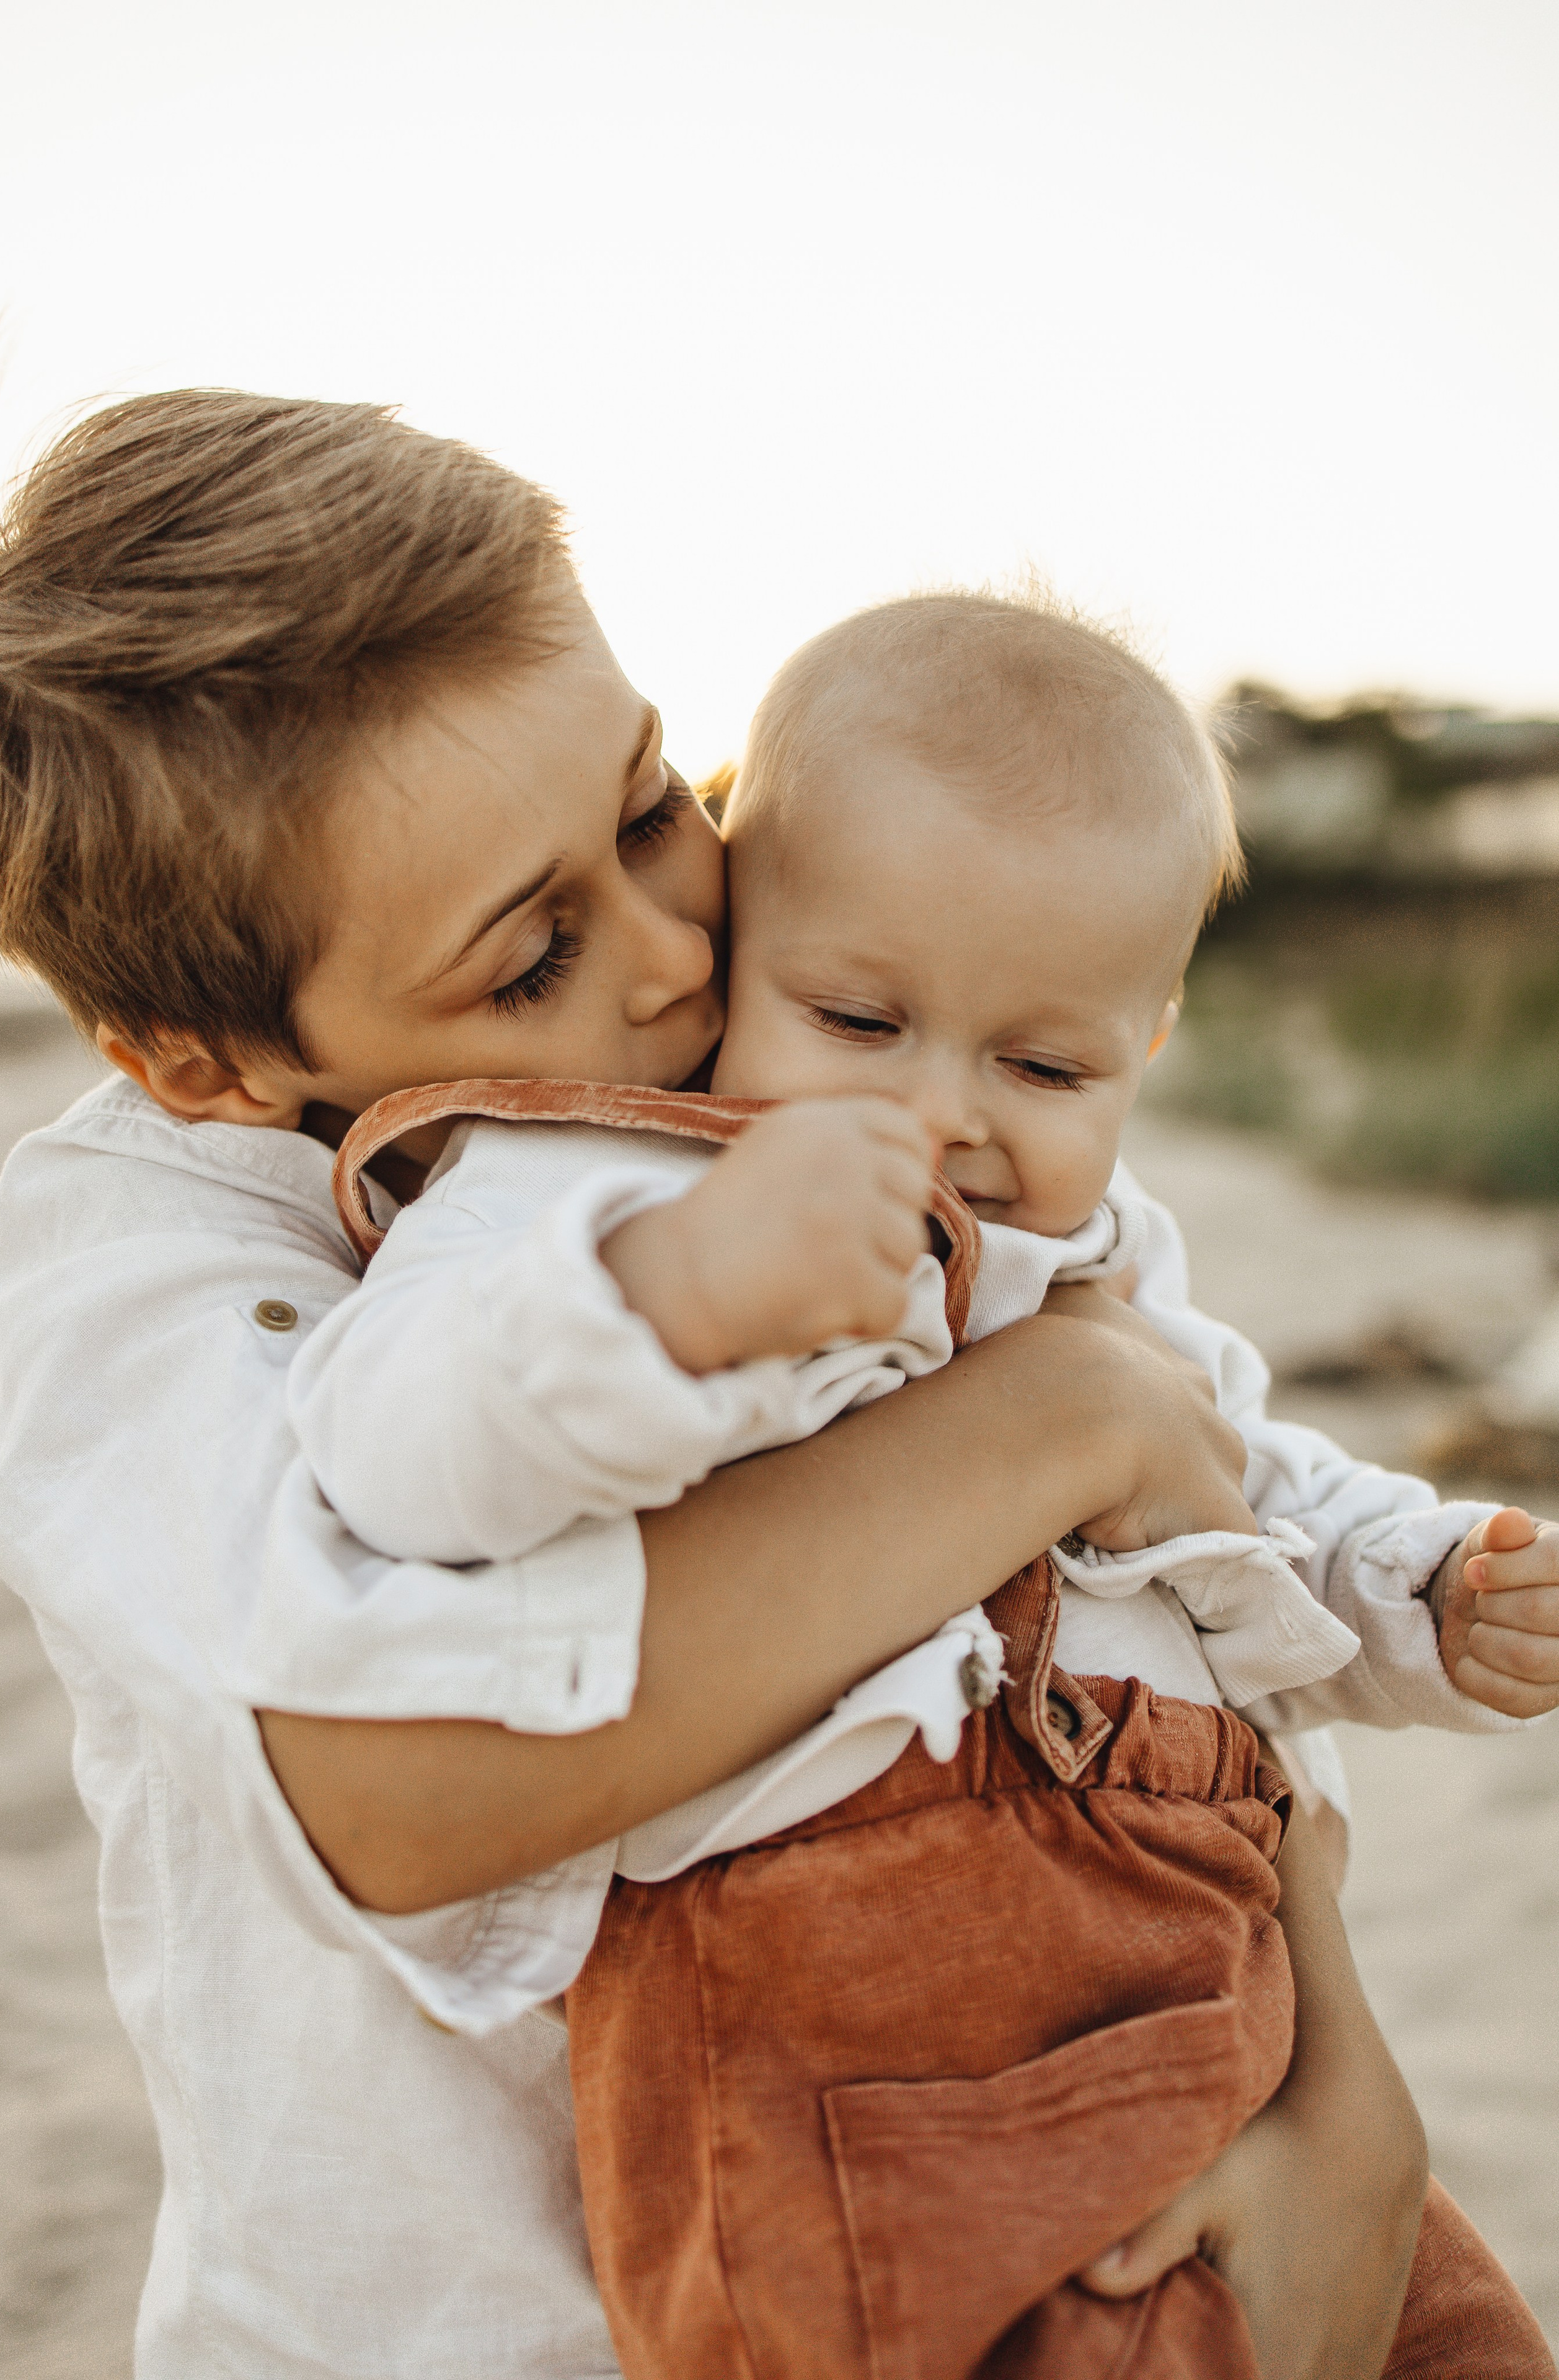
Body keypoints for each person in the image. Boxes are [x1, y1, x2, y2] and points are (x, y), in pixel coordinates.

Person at [0, 389, 1528, 2380]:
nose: (669, 959)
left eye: (651, 811)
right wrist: (1062, 1417)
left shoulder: (774, 1079)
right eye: (532, 950)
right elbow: (398, 1790)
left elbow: (1161, 1622)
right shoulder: (150, 1260)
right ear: (199, 1055)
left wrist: (1346, 2091)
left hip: (1105, 2104)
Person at [296, 589, 1559, 2374]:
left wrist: (1417, 1589)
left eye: (1043, 1065)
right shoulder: (600, 1190)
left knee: (1450, 2339)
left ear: (1152, 1045)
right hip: (856, 1953)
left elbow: (1236, 1483)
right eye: (855, 1018)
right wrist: (678, 1302)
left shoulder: (1103, 1261)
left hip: (1196, 1920)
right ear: (738, 951)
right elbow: (398, 1433)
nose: (947, 1113)